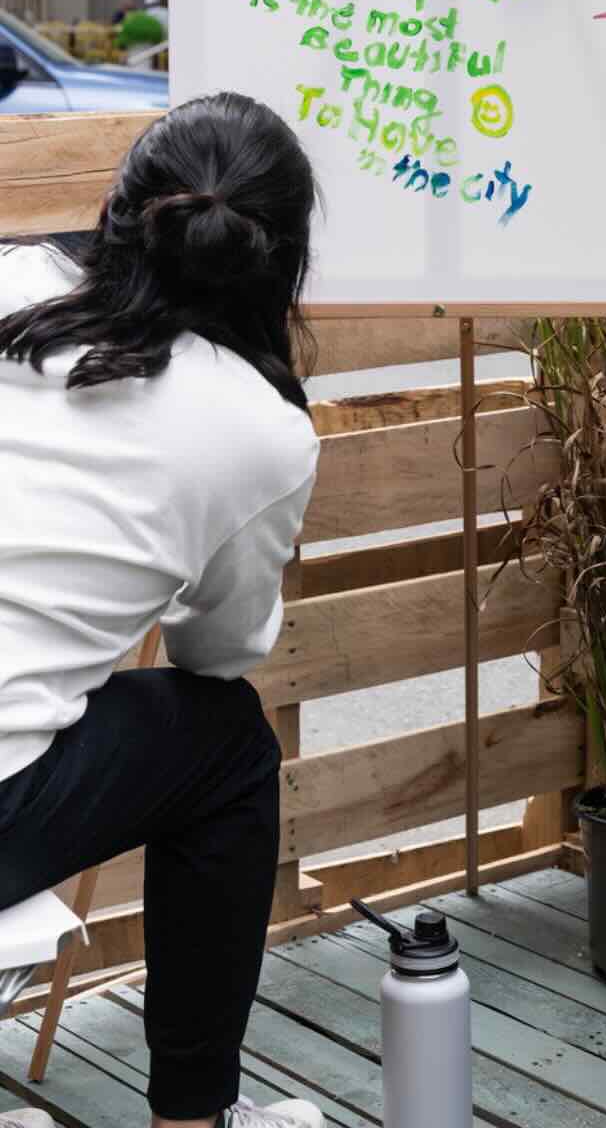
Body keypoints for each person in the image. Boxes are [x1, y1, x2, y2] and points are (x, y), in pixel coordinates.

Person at [0, 94, 329, 1128]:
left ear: (119, 204)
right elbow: (218, 649)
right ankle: (191, 1117)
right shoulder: (261, 429)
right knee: (229, 747)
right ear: (278, 263)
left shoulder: (11, 279)